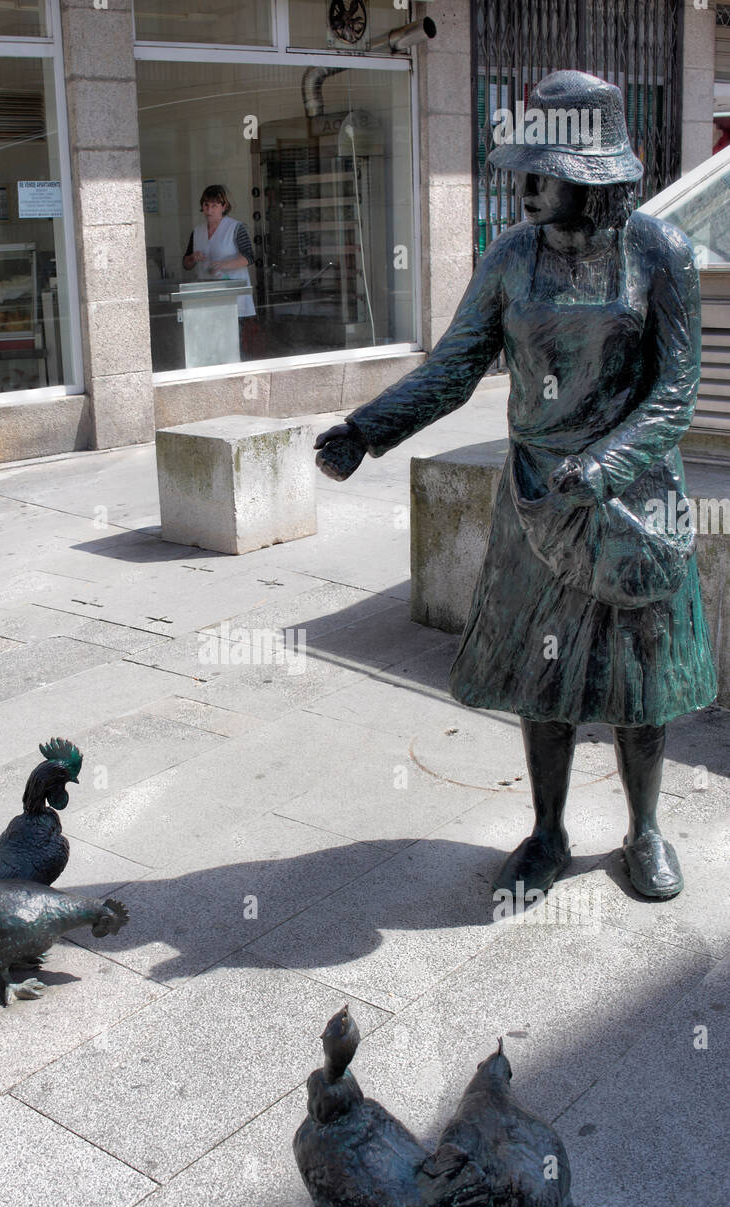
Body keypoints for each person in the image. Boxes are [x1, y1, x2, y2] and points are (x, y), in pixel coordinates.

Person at [315, 70, 717, 904]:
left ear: (594, 175)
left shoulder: (658, 252)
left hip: (634, 493)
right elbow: (456, 368)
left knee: (641, 680)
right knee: (548, 673)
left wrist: (605, 467)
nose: (527, 189)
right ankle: (547, 831)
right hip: (538, 496)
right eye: (524, 170)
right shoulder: (510, 260)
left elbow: (675, 389)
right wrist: (368, 430)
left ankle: (644, 831)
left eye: (547, 172)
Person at [183, 184, 257, 354]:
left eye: (215, 205)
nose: (210, 210)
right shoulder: (197, 232)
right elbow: (186, 264)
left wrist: (223, 265)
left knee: (232, 347)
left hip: (233, 297)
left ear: (224, 207)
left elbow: (249, 257)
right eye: (206, 205)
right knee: (210, 347)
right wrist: (193, 258)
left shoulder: (235, 228)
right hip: (207, 296)